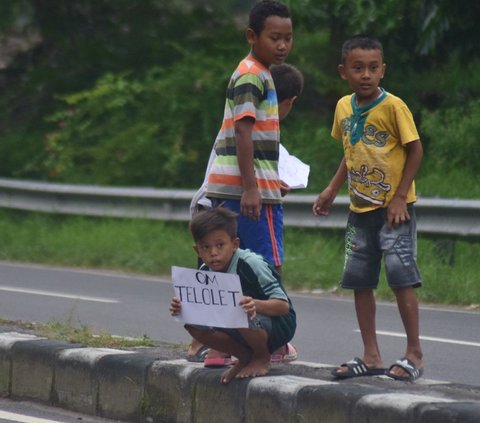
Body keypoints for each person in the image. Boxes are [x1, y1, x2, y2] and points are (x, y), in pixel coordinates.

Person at [312, 35, 424, 382]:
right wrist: (332, 188)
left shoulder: (394, 107)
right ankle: (371, 355)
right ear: (343, 71)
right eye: (358, 68)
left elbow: (416, 150)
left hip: (394, 211)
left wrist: (400, 196)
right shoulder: (344, 107)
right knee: (360, 281)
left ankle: (414, 354)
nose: (366, 75)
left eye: (373, 68)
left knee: (400, 278)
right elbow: (350, 151)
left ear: (383, 70)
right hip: (358, 210)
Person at [187, 63, 303, 366]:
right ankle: (272, 344)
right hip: (252, 200)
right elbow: (244, 139)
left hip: (217, 197)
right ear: (286, 102)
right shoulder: (255, 114)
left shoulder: (235, 112)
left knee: (220, 265)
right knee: (265, 267)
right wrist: (257, 187)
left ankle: (213, 345)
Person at [170, 207, 297, 384]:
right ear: (197, 251)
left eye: (220, 245)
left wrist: (255, 304)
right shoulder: (205, 272)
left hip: (276, 324)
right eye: (206, 247)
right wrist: (184, 307)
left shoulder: (251, 263)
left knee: (238, 309)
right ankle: (244, 357)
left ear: (235, 244)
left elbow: (283, 307)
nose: (213, 253)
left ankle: (262, 358)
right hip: (240, 326)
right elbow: (207, 311)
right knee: (192, 322)